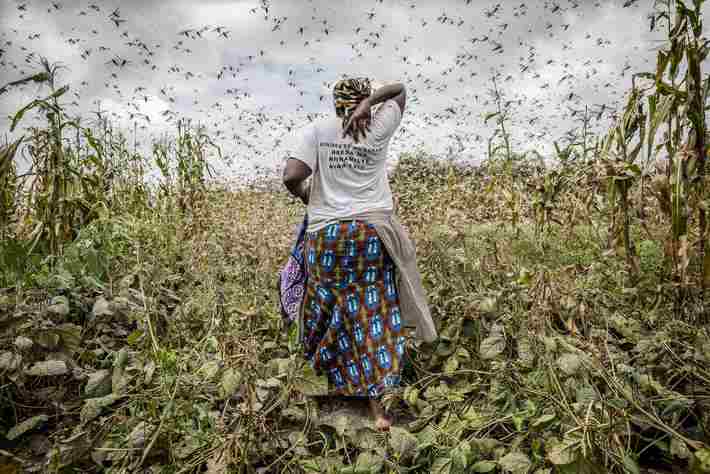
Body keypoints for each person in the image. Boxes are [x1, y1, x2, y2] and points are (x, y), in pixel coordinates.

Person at [282, 77, 437, 431]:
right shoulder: (377, 125)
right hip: (370, 235)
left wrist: (310, 197)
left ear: (336, 103)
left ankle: (338, 391)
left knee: (332, 310)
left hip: (328, 239)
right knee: (374, 314)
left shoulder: (316, 131)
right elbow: (400, 89)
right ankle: (380, 408)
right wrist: (373, 103)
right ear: (363, 101)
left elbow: (292, 175)